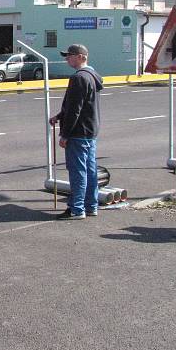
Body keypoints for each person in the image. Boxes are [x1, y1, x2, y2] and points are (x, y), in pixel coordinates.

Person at [49, 44, 103, 220]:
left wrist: (65, 134)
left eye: (70, 55)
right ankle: (91, 206)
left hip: (78, 132)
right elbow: (81, 105)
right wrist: (59, 116)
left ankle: (77, 209)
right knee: (90, 169)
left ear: (81, 57)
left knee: (78, 171)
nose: (67, 59)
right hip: (90, 129)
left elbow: (75, 109)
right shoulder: (92, 75)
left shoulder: (79, 78)